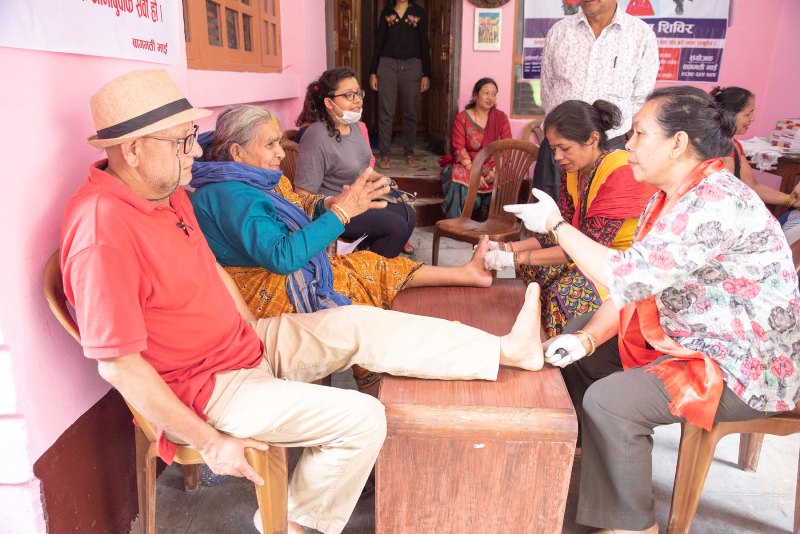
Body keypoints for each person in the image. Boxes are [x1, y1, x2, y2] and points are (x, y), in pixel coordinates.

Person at [60, 69, 546, 534]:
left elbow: (209, 267)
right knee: (362, 418)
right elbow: (119, 367)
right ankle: (290, 521)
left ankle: (504, 350)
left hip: (242, 345)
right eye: (181, 141)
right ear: (133, 150)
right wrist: (210, 443)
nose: (193, 154)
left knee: (359, 321)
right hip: (205, 387)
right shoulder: (102, 230)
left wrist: (252, 328)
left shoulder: (164, 192)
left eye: (192, 136)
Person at [505, 86, 800, 533]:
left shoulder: (713, 202)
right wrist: (585, 338)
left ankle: (631, 525)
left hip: (742, 364)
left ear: (677, 143)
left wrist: (557, 226)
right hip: (692, 337)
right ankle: (597, 475)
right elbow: (633, 291)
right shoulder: (668, 198)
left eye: (639, 134)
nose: (627, 144)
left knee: (611, 402)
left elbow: (623, 274)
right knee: (582, 337)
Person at [190, 105, 494, 388]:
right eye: (270, 145)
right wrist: (341, 213)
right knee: (358, 295)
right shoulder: (230, 194)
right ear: (237, 152)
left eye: (279, 143)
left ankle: (467, 273)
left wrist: (328, 204)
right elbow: (282, 258)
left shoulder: (251, 177)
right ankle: (375, 382)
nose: (280, 153)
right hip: (263, 289)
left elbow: (297, 204)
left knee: (371, 264)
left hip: (289, 270)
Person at [483, 100, 655, 338]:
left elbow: (582, 247)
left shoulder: (620, 172)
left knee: (561, 293)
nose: (557, 157)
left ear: (593, 139)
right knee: (531, 273)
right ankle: (532, 338)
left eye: (564, 148)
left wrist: (514, 257)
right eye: (553, 149)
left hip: (617, 268)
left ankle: (561, 362)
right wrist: (506, 248)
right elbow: (560, 234)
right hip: (582, 255)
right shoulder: (573, 173)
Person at [535, 0, 658, 200]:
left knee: (602, 216)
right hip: (559, 149)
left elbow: (640, 96)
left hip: (610, 145)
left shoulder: (640, 35)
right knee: (545, 215)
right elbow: (548, 90)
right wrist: (563, 138)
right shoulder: (560, 32)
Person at [294, 67, 416, 258]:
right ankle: (368, 280)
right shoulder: (316, 136)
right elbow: (301, 196)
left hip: (358, 199)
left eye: (359, 93)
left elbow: (362, 168)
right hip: (334, 210)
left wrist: (382, 179)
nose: (358, 100)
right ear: (329, 102)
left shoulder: (354, 127)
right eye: (349, 95)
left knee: (406, 212)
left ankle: (369, 267)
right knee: (395, 225)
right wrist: (332, 205)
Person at [710, 86, 800, 243]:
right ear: (728, 115)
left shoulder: (735, 146)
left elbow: (752, 186)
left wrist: (791, 200)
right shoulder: (707, 147)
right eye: (748, 113)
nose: (753, 118)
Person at [369, 0, 431, 170]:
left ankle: (409, 153)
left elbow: (424, 43)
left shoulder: (418, 12)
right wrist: (373, 71)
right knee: (385, 112)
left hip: (413, 65)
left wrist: (426, 73)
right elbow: (378, 43)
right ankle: (385, 154)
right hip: (387, 65)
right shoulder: (387, 12)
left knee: (410, 111)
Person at [439, 77, 512, 220]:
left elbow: (507, 147)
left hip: (493, 165)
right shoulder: (463, 118)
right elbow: (459, 148)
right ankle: (456, 222)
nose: (490, 97)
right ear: (475, 95)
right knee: (456, 175)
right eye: (486, 93)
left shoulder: (500, 118)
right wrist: (475, 173)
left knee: (509, 175)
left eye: (494, 94)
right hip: (470, 165)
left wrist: (494, 171)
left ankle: (493, 219)